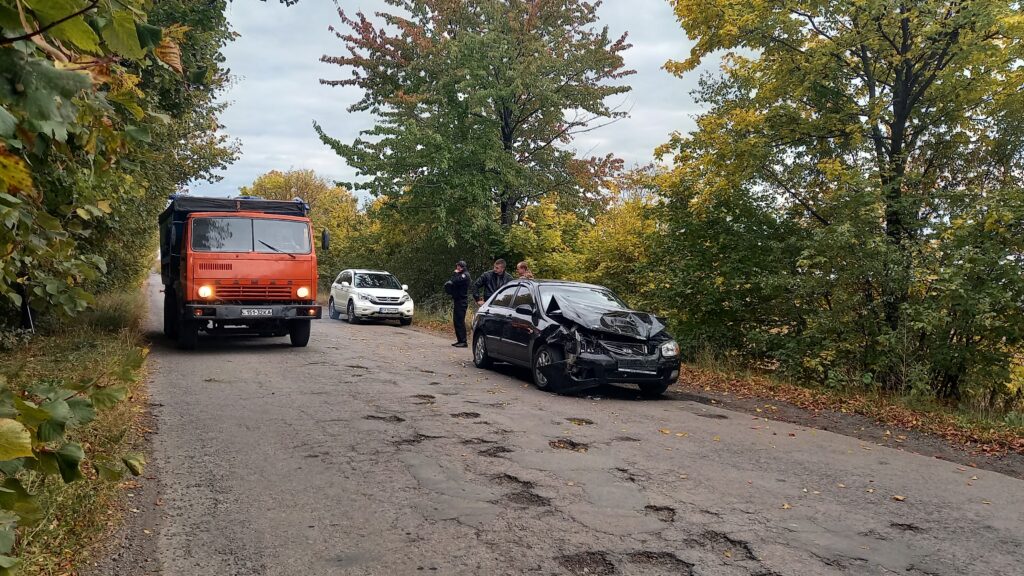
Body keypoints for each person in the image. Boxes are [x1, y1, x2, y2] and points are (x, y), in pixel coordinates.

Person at [444, 260, 471, 347]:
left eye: (458, 266)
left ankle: (463, 341)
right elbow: (452, 281)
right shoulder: (459, 274)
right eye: (457, 266)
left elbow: (455, 281)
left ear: (462, 267)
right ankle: (459, 340)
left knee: (460, 321)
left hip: (462, 301)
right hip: (457, 300)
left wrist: (455, 273)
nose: (457, 268)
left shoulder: (465, 275)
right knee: (456, 321)